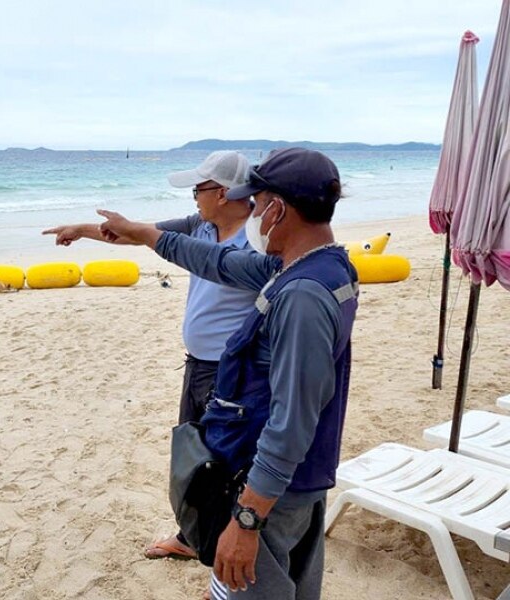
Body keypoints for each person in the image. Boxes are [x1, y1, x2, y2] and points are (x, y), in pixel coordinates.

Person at [97, 147, 357, 600]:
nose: (252, 213)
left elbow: (292, 419)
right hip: (300, 478)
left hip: (276, 490)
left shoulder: (303, 295)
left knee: (251, 586)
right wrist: (141, 233)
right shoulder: (316, 265)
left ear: (276, 208)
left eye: (257, 203)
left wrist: (247, 520)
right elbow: (217, 262)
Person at [43, 150, 257, 560]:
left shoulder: (258, 236)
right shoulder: (200, 226)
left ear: (225, 192)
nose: (194, 196)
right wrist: (81, 229)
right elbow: (134, 233)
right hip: (197, 364)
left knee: (225, 460)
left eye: (199, 188)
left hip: (233, 370)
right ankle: (192, 535)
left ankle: (222, 543)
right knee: (192, 454)